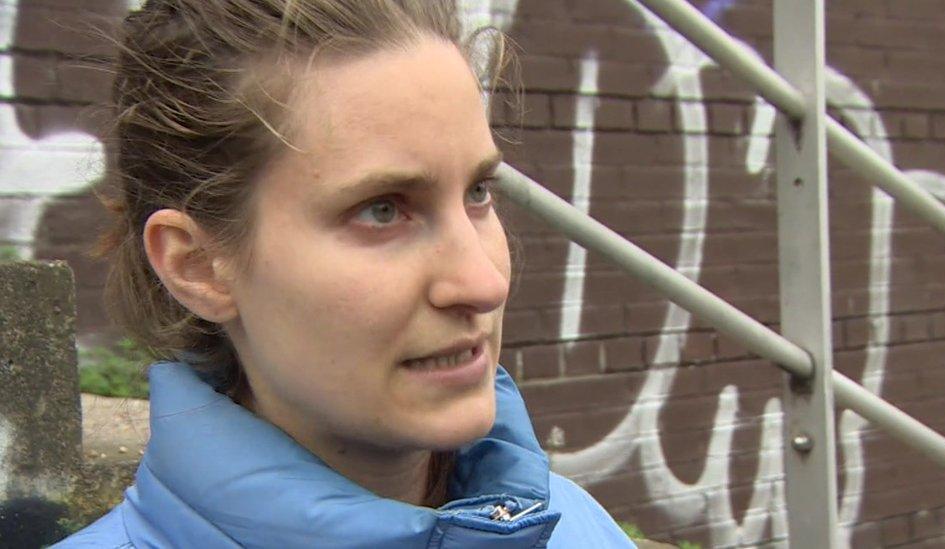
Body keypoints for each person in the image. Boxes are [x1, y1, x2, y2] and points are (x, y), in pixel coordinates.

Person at [55, 0, 636, 547]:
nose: (485, 284)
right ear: (198, 267)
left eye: (478, 192)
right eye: (383, 210)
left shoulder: (581, 528)